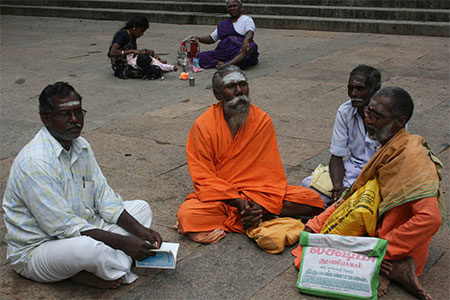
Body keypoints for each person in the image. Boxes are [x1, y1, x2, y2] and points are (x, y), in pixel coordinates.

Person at [2, 82, 162, 289]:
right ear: (46, 118)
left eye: (78, 112)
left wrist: (141, 231)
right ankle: (106, 264)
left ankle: (103, 265)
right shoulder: (35, 162)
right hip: (40, 248)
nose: (75, 120)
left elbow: (105, 198)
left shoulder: (82, 146)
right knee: (86, 249)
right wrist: (124, 243)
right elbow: (64, 226)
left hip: (85, 228)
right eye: (65, 114)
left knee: (141, 208)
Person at [292, 86, 446, 300]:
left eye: (377, 116)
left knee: (324, 261)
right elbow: (357, 194)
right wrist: (317, 223)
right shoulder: (388, 147)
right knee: (311, 248)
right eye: (368, 112)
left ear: (400, 121)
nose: (368, 120)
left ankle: (394, 266)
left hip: (396, 244)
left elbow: (430, 219)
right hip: (380, 228)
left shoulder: (412, 157)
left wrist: (383, 251)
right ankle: (395, 269)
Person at [176, 65, 324, 244]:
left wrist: (258, 203)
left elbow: (270, 172)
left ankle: (252, 214)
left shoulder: (261, 120)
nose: (239, 91)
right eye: (231, 86)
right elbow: (203, 178)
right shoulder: (203, 126)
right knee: (188, 214)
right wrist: (238, 202)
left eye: (243, 84)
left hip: (260, 193)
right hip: (223, 197)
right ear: (218, 94)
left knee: (313, 200)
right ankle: (256, 215)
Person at [301, 65, 381, 206]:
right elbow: (337, 156)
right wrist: (338, 187)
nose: (353, 94)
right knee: (307, 186)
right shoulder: (345, 111)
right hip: (353, 169)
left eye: (360, 89)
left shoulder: (390, 114)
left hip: (379, 174)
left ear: (375, 89)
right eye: (350, 88)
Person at [192, 0, 259, 70]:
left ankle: (227, 64)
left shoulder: (247, 19)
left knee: (252, 46)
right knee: (200, 56)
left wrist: (245, 42)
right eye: (230, 6)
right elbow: (211, 38)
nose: (232, 8)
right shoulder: (223, 24)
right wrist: (198, 38)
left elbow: (250, 32)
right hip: (224, 52)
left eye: (235, 6)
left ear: (241, 8)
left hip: (239, 50)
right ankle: (224, 63)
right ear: (227, 10)